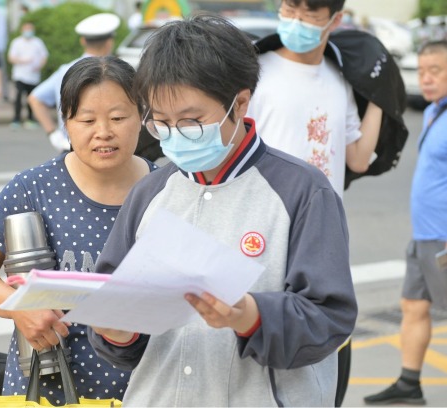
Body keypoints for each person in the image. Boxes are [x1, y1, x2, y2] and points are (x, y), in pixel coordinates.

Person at [86, 14, 357, 407]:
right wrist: (114, 329)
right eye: (160, 123)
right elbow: (120, 329)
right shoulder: (149, 193)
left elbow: (329, 319)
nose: (175, 135)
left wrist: (249, 314)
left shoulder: (303, 191)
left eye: (192, 122)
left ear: (241, 102)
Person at [0, 56, 158, 405]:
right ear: (66, 123)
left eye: (119, 118)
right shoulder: (32, 188)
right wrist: (17, 307)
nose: (103, 132)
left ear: (142, 117)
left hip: (147, 391)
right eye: (87, 120)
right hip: (48, 392)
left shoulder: (167, 191)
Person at [246, 2, 383, 404]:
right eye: (290, 8)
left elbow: (357, 157)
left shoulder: (338, 77)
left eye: (310, 14)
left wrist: (381, 96)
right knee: (262, 357)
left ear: (335, 21)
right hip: (263, 237)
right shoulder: (255, 70)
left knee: (325, 353)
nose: (296, 21)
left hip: (324, 241)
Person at [363, 40, 447, 406]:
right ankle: (409, 384)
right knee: (413, 304)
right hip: (424, 235)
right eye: (422, 70)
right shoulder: (434, 113)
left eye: (436, 71)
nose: (426, 79)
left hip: (443, 237)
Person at [28, 13, 121, 153]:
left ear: (82, 41)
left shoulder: (65, 70)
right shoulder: (117, 72)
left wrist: (52, 133)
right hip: (107, 147)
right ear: (109, 42)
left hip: (70, 146)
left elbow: (34, 98)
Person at [8, 22, 48, 130]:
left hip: (33, 76)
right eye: (26, 29)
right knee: (18, 97)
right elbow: (11, 58)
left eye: (30, 29)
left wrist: (39, 66)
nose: (28, 31)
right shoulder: (17, 42)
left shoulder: (38, 42)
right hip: (20, 75)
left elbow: (44, 56)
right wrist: (22, 61)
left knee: (31, 98)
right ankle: (16, 119)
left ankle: (30, 119)